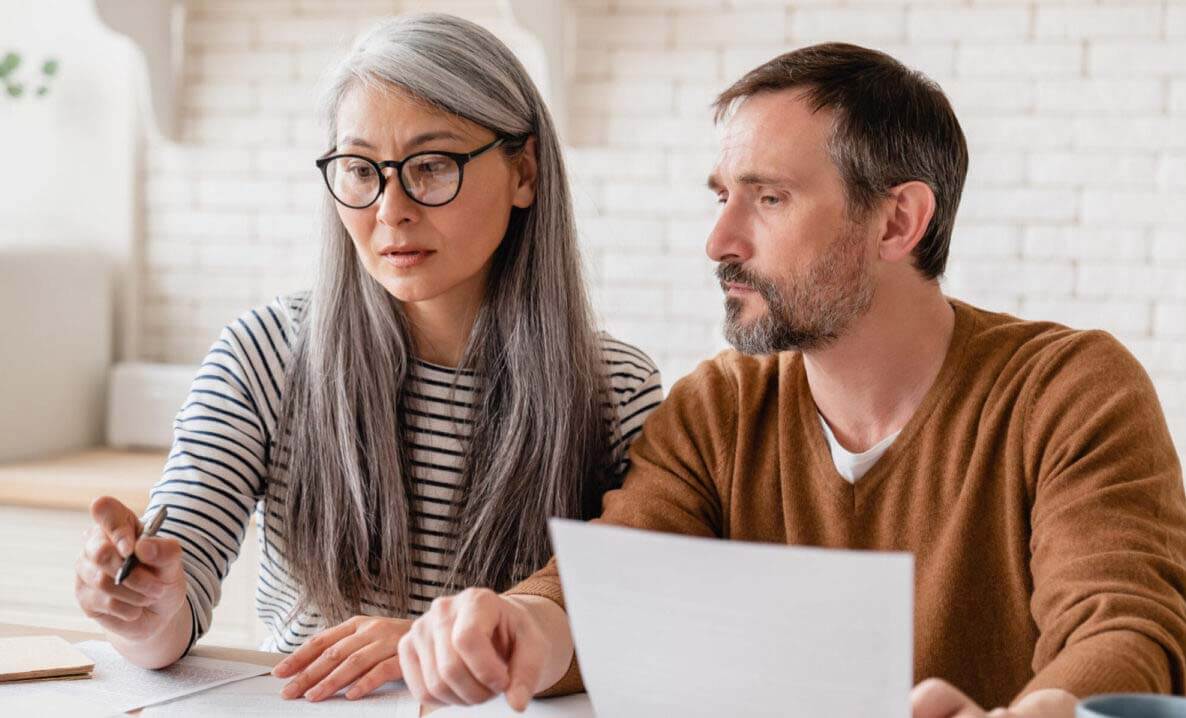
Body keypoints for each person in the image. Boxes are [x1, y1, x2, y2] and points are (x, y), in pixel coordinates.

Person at [396, 43, 1186, 717]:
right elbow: (613, 585)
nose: (718, 240)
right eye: (721, 197)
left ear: (898, 222)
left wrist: (1052, 707)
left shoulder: (1068, 391)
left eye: (768, 198)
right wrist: (517, 624)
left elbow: (1123, 628)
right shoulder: (720, 408)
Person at [71, 12, 662, 704]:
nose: (391, 209)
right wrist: (140, 603)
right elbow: (172, 611)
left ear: (524, 171)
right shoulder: (266, 352)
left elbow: (631, 626)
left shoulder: (615, 388)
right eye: (360, 170)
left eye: (433, 167)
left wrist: (428, 651)